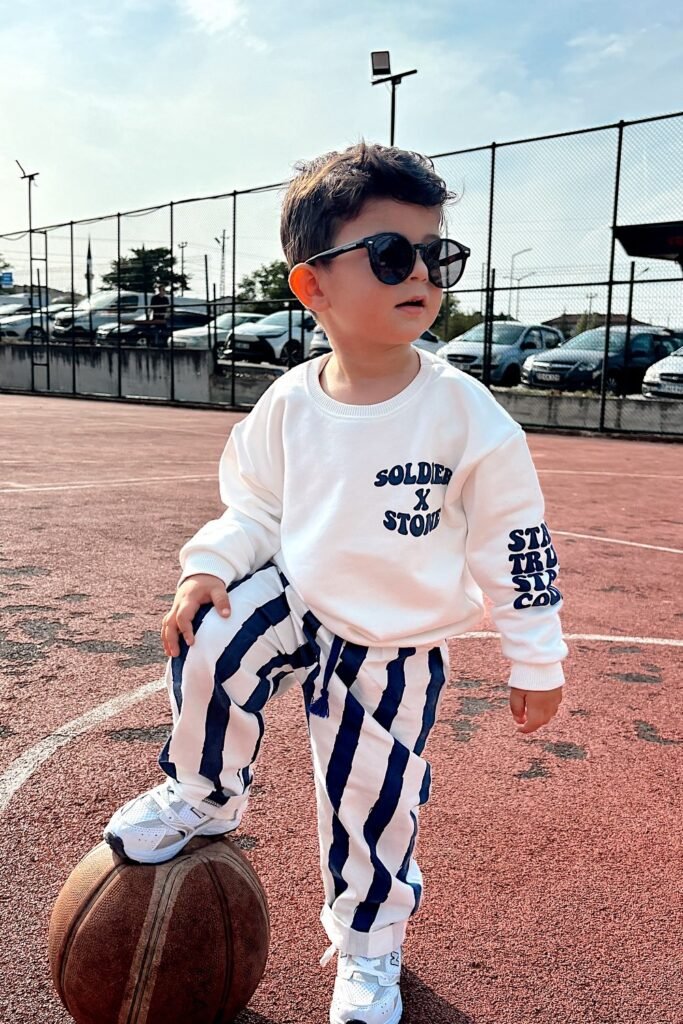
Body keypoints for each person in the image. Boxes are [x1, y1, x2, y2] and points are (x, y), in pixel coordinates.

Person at [104, 142, 567, 1024]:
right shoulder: (287, 403)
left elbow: (517, 540)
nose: (423, 272)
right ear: (311, 288)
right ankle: (204, 795)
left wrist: (534, 656)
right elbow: (254, 510)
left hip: (392, 646)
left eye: (440, 253)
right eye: (393, 254)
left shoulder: (466, 412)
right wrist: (206, 568)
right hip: (300, 599)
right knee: (209, 635)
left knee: (371, 805)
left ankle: (367, 949)